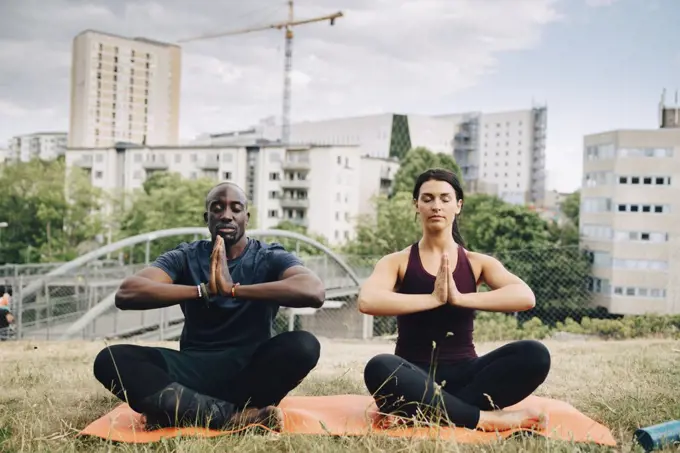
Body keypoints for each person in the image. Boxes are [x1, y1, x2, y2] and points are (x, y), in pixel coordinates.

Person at [93, 182, 326, 431]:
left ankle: (178, 411)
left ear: (246, 217)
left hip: (252, 373)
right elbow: (128, 292)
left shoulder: (269, 256)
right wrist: (203, 290)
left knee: (304, 345)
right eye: (217, 208)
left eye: (235, 208)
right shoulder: (185, 256)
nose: (226, 214)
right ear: (207, 217)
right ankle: (232, 417)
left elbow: (313, 291)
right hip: (193, 371)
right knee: (111, 360)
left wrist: (233, 289)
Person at [358, 168, 551, 432]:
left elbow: (525, 297)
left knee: (535, 354)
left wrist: (459, 298)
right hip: (412, 376)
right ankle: (484, 419)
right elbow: (367, 301)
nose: (436, 206)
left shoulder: (476, 262)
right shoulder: (397, 261)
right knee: (379, 366)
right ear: (416, 204)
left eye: (445, 198)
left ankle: (428, 411)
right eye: (427, 199)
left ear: (458, 205)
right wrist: (432, 298)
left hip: (467, 376)